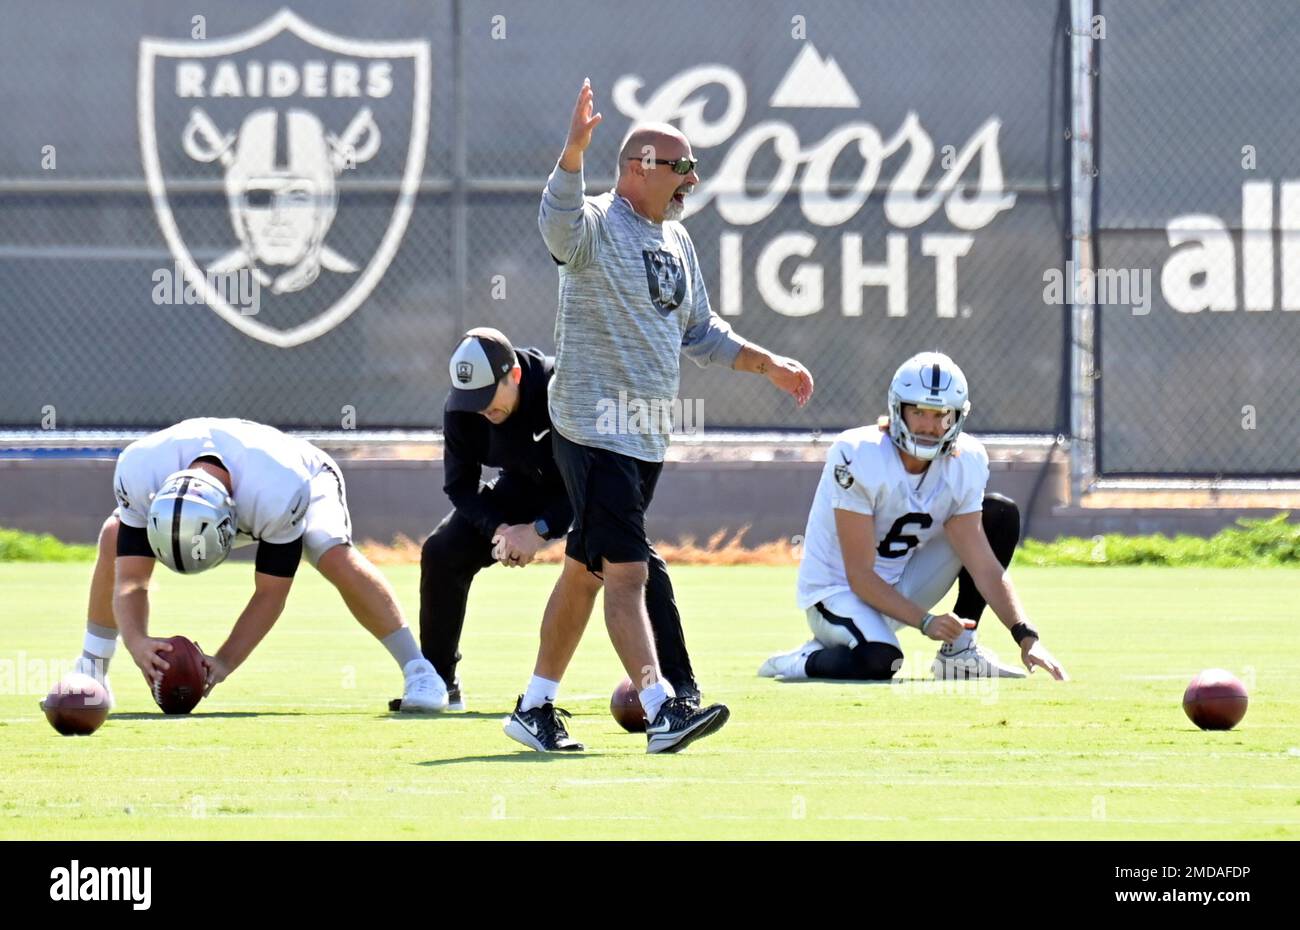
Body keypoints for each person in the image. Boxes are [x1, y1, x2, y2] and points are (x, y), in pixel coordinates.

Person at [503, 78, 815, 754]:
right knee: (628, 573)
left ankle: (535, 708)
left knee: (585, 573)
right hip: (594, 427)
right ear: (639, 167)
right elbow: (556, 221)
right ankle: (660, 707)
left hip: (643, 436)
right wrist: (573, 151)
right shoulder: (593, 225)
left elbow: (700, 331)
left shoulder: (675, 240)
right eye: (682, 168)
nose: (693, 182)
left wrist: (771, 365)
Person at [411, 327, 702, 712]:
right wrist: (502, 530)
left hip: (587, 483)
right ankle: (438, 680)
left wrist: (539, 531)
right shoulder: (463, 408)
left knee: (632, 562)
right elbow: (460, 486)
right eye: (471, 400)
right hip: (522, 485)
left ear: (514, 375)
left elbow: (592, 472)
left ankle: (679, 689)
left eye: (487, 397)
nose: (481, 409)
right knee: (442, 550)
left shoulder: (560, 388)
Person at [71, 417, 447, 711]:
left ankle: (420, 671)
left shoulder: (278, 490)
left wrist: (224, 662)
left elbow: (270, 593)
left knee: (328, 550)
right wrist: (136, 641)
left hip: (307, 474)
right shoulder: (140, 470)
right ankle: (91, 671)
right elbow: (132, 577)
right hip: (229, 484)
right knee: (112, 534)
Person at [759, 351, 1068, 683]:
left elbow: (983, 564)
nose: (929, 426)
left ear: (956, 418)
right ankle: (801, 660)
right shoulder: (857, 454)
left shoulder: (968, 459)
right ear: (897, 410)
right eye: (919, 412)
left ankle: (959, 653)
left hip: (903, 581)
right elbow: (859, 576)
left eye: (940, 415)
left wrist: (1026, 637)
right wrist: (925, 621)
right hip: (838, 592)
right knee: (882, 660)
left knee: (998, 516)